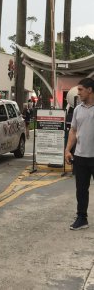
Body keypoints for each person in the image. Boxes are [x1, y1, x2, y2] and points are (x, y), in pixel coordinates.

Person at [65, 78, 94, 231]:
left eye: (81, 89)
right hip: (81, 156)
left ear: (90, 90)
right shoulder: (77, 109)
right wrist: (68, 150)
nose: (78, 92)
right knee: (81, 190)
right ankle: (82, 218)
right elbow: (73, 130)